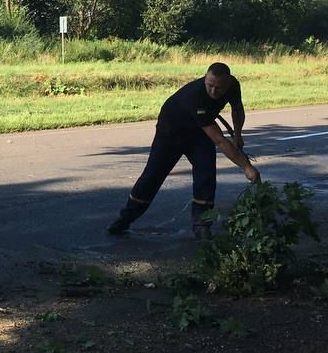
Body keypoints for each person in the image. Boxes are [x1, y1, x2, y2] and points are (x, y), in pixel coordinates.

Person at [107, 62, 260, 239]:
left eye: (219, 88)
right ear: (205, 78)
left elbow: (237, 109)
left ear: (228, 83)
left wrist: (238, 135)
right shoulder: (197, 97)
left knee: (206, 174)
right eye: (210, 85)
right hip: (171, 132)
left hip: (199, 133)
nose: (213, 92)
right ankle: (125, 218)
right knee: (153, 175)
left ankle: (201, 224)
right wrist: (246, 167)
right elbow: (219, 140)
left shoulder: (233, 85)